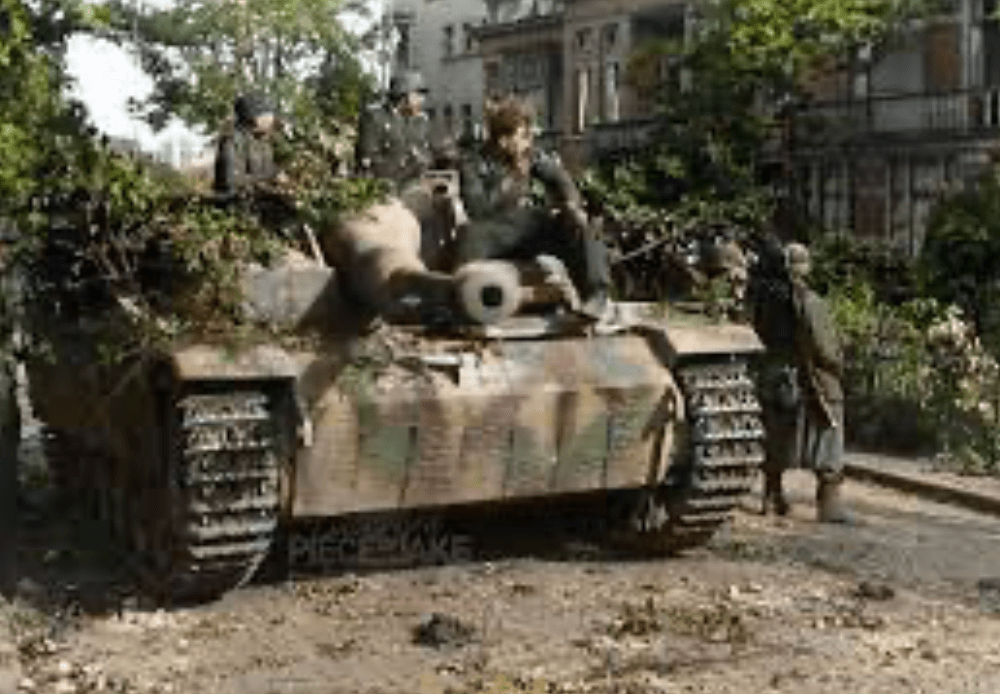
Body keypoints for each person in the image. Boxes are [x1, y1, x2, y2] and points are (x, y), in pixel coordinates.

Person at [452, 95, 612, 320]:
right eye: (523, 136)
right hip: (492, 236)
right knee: (471, 234)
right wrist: (513, 180)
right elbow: (478, 209)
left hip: (528, 232)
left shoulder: (529, 154)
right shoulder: (472, 163)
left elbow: (560, 179)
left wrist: (571, 205)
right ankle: (469, 302)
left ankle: (596, 296)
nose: (529, 141)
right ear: (504, 140)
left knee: (584, 226)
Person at [354, 70, 435, 193]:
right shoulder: (375, 117)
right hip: (380, 188)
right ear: (404, 96)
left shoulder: (421, 120)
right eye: (418, 95)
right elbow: (368, 158)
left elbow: (427, 154)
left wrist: (421, 160)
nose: (421, 100)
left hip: (414, 187)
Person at [213, 91, 284, 198]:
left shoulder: (261, 141)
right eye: (268, 115)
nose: (272, 119)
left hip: (258, 198)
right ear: (254, 117)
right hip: (238, 203)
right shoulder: (233, 142)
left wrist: (278, 174)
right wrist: (271, 179)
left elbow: (266, 171)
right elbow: (230, 182)